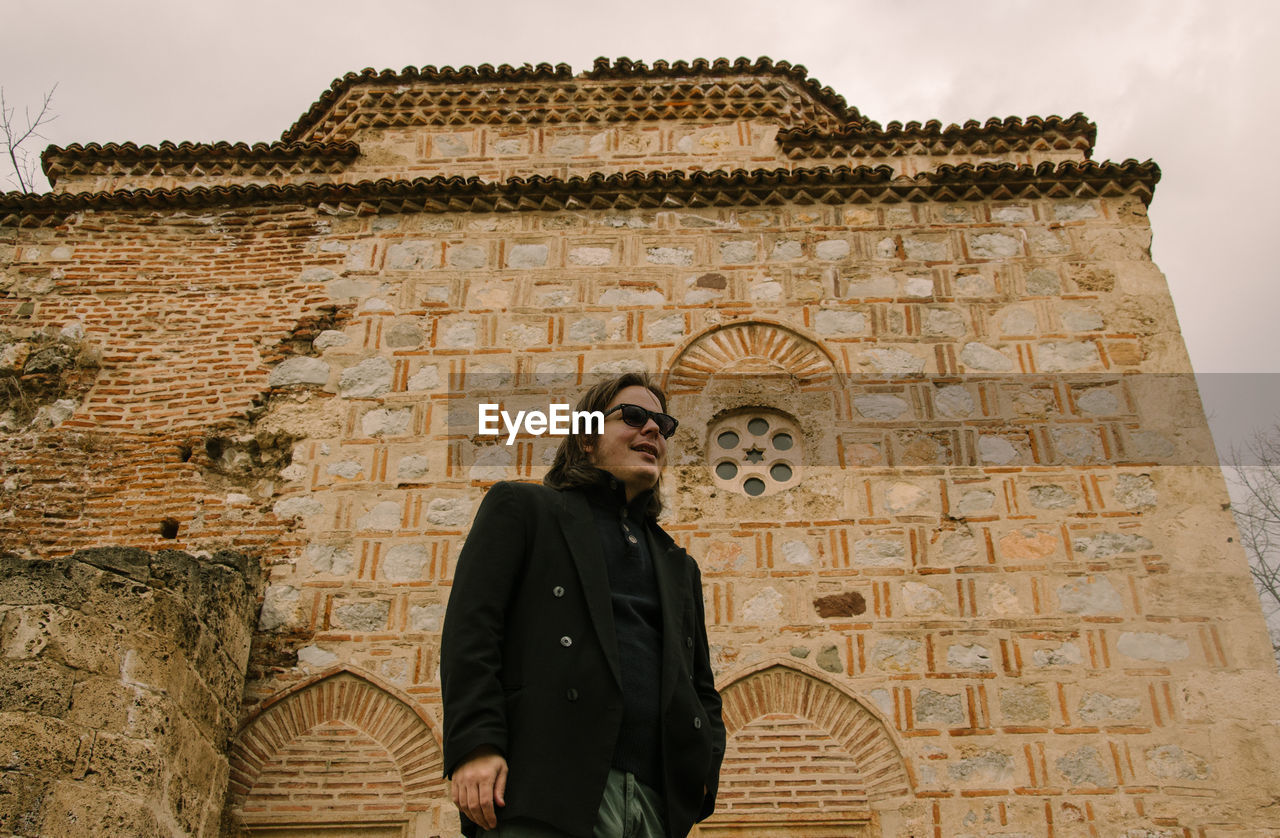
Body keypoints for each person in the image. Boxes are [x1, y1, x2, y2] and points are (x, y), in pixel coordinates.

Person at [440, 372, 725, 838]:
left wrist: (701, 779)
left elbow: (700, 686)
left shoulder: (678, 564)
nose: (652, 429)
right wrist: (476, 745)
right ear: (587, 440)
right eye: (633, 417)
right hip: (547, 789)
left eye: (662, 423)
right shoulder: (525, 509)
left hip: (656, 806)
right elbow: (472, 633)